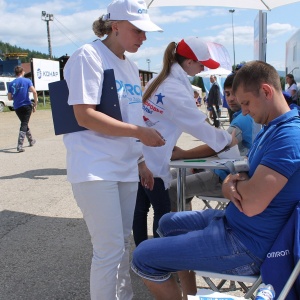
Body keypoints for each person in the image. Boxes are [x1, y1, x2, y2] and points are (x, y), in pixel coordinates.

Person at [131, 60, 300, 300]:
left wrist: (229, 184)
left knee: (143, 257)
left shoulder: (289, 136)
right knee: (167, 222)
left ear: (266, 91)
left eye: (246, 103)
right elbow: (245, 173)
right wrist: (236, 182)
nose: (243, 111)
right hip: (236, 224)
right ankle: (190, 294)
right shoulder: (273, 127)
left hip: (248, 245)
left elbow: (251, 203)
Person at [63, 1, 165, 299]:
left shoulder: (131, 67)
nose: (143, 38)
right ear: (115, 26)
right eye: (138, 30)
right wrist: (139, 134)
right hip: (95, 167)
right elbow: (84, 115)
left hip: (123, 166)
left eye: (146, 32)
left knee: (120, 246)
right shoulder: (89, 56)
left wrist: (141, 160)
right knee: (108, 251)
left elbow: (131, 116)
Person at [132, 37, 236, 247]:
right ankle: (157, 262)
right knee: (163, 213)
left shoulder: (159, 80)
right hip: (153, 159)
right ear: (188, 62)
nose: (202, 68)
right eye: (201, 64)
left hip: (140, 156)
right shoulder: (174, 88)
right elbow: (197, 124)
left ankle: (142, 256)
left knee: (140, 209)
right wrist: (226, 140)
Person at [168, 72, 261, 211]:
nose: (230, 98)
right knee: (174, 179)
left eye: (234, 94)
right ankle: (187, 224)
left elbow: (219, 145)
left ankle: (180, 227)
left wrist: (184, 154)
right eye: (227, 94)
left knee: (173, 188)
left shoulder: (243, 118)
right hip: (226, 171)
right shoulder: (244, 116)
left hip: (225, 177)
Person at [7, 66, 38, 152]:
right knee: (24, 123)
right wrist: (35, 102)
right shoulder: (27, 81)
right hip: (26, 105)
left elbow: (9, 98)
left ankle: (31, 140)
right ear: (22, 72)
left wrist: (16, 97)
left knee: (24, 122)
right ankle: (19, 145)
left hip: (17, 106)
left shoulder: (11, 83)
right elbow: (34, 91)